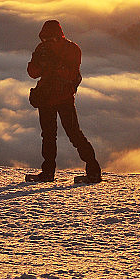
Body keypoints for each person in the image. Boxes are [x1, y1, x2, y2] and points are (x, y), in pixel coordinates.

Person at [26, 20, 101, 183]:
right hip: (46, 97)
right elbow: (32, 72)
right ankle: (48, 173)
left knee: (73, 134)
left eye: (49, 38)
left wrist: (54, 66)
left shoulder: (71, 49)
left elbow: (72, 75)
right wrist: (41, 63)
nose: (46, 41)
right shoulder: (43, 49)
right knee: (48, 136)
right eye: (44, 39)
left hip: (63, 98)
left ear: (57, 36)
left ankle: (93, 171)